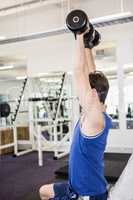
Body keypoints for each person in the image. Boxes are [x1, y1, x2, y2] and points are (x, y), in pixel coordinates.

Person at [39, 22, 112, 200]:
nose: (82, 91)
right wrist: (88, 46)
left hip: (88, 194)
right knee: (44, 191)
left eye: (86, 90)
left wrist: (79, 33)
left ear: (93, 94)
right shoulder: (97, 111)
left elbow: (78, 71)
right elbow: (90, 72)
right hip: (75, 186)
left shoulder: (95, 119)